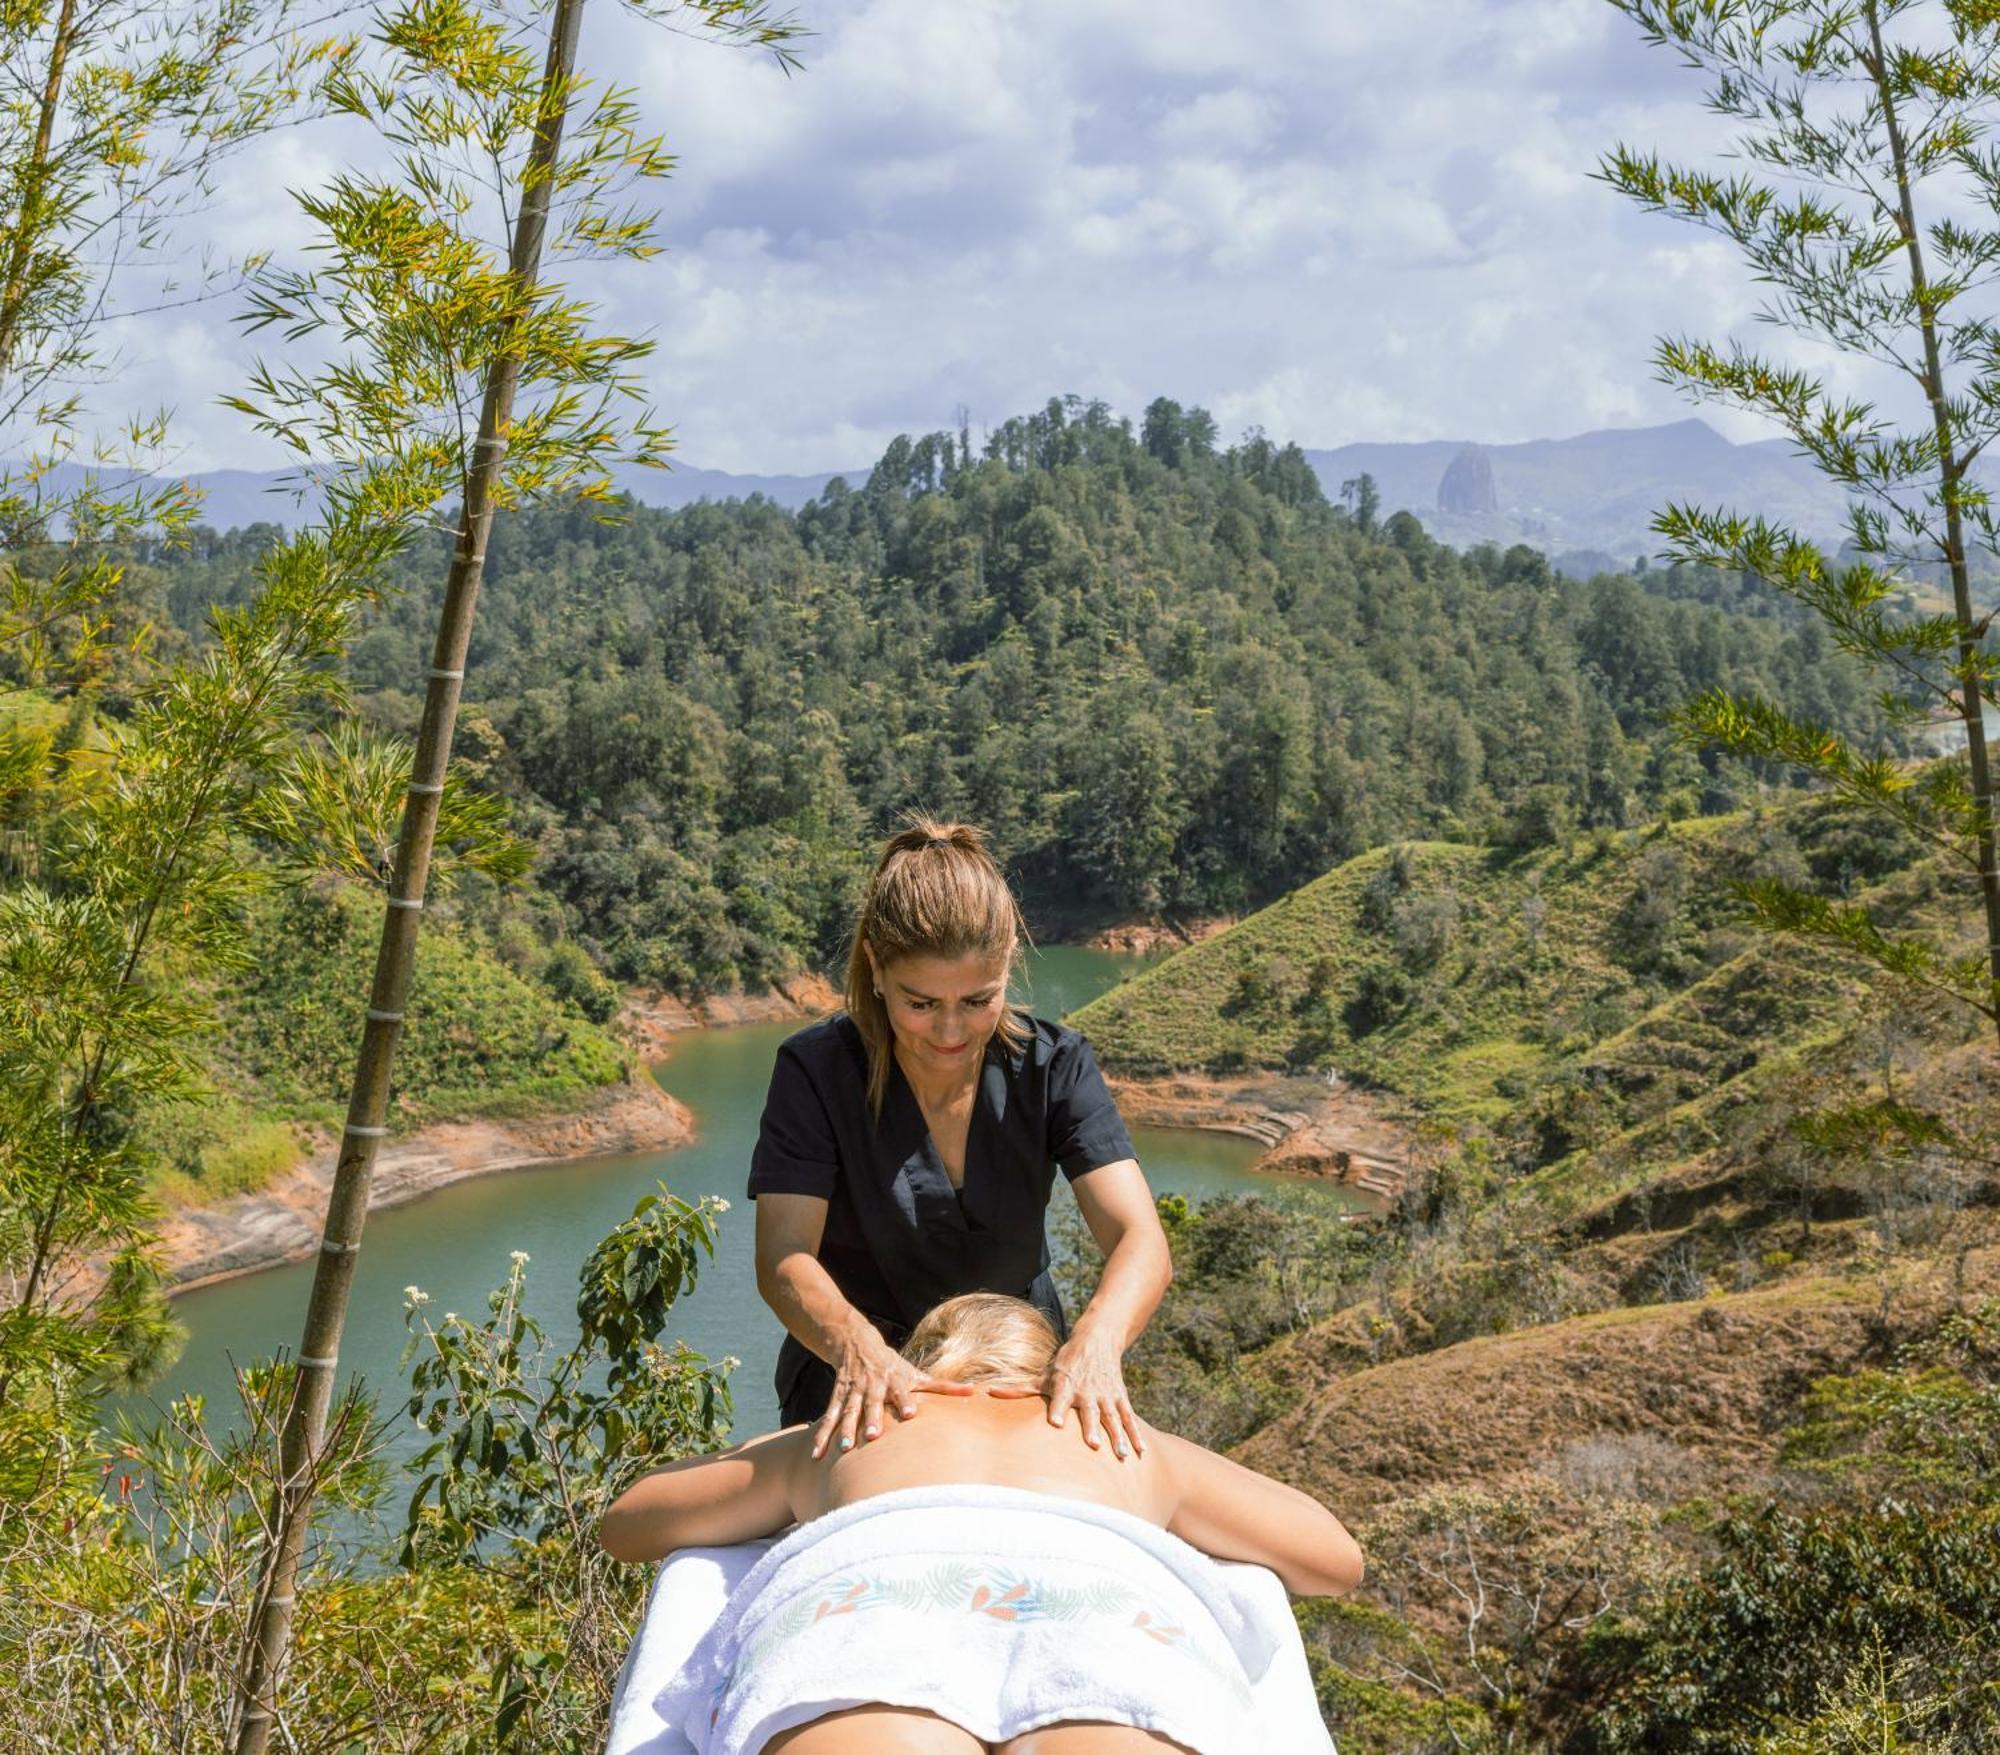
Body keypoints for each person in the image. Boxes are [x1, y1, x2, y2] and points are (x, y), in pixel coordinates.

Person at [602, 1293, 1364, 1755]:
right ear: (1053, 1371)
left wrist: (787, 1450)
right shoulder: (1119, 1439)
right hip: (1099, 1611)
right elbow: (1335, 1559)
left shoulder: (856, 1424)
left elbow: (627, 1524)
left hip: (874, 1602)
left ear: (918, 1361)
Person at [747, 818, 1173, 1463]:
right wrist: (864, 1355)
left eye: (979, 1001)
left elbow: (1139, 1237)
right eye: (921, 1004)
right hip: (859, 1380)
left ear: (1008, 966)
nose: (950, 1031)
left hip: (1015, 1377)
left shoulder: (1054, 1065)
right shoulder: (816, 1071)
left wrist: (1093, 1344)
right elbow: (784, 1255)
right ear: (877, 969)